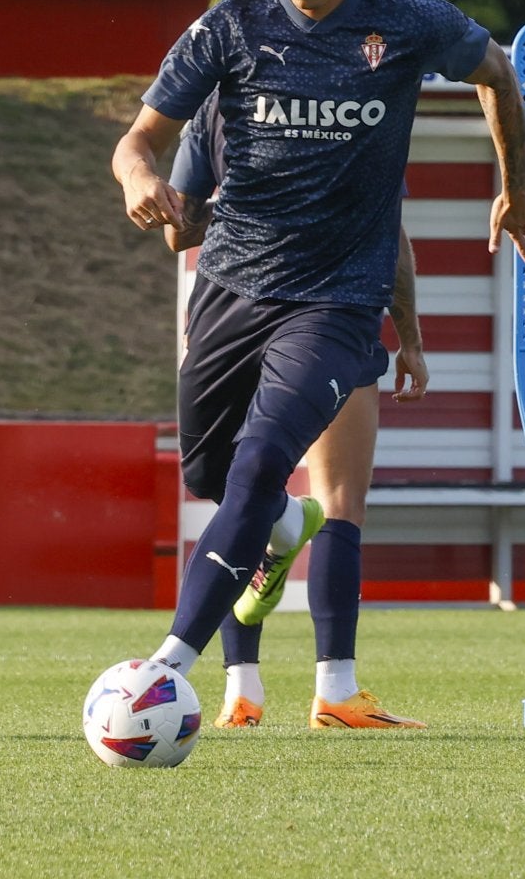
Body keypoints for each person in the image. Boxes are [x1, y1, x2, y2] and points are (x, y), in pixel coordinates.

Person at [110, 0, 525, 731]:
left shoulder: (408, 25)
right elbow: (140, 140)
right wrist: (138, 179)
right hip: (231, 289)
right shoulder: (231, 28)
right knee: (215, 479)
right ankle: (284, 531)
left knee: (259, 464)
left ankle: (166, 671)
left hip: (336, 303)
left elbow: (497, 72)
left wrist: (516, 189)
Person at [163, 89, 431, 728]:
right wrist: (411, 339)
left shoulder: (224, 105)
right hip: (300, 314)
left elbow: (180, 229)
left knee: (269, 493)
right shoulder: (345, 101)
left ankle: (265, 690)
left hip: (296, 317)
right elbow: (391, 233)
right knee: (302, 497)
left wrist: (410, 338)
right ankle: (309, 687)